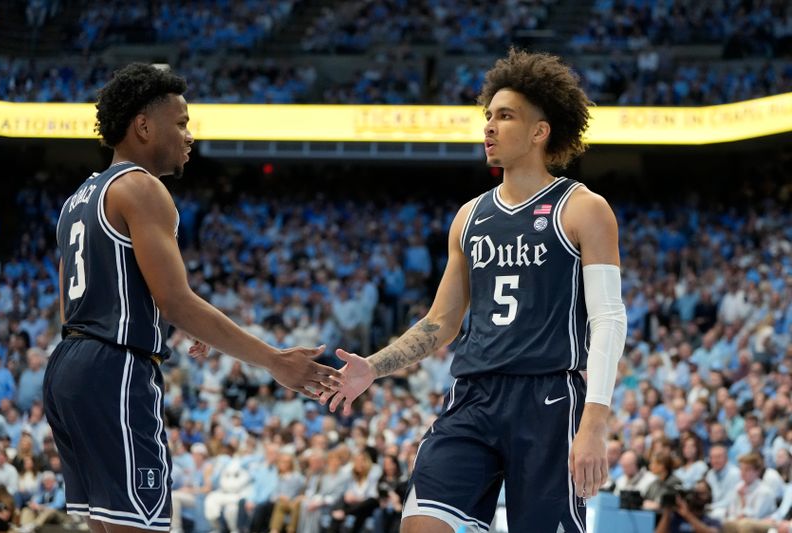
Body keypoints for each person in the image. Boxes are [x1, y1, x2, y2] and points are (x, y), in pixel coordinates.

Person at [321, 48, 627, 532]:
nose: (488, 126)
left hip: (547, 399)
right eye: (488, 116)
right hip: (472, 397)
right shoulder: (469, 217)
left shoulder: (584, 208)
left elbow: (609, 319)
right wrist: (373, 368)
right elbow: (440, 323)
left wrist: (595, 420)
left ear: (539, 131)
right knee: (419, 524)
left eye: (505, 117)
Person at [44, 63, 341, 533]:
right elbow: (176, 300)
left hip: (67, 368)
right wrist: (274, 360)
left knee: (105, 526)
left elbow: (81, 304)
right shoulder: (142, 187)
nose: (189, 135)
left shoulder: (78, 199)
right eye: (180, 123)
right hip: (114, 370)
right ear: (143, 125)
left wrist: (164, 321)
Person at [655, 479, 720, 533]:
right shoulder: (676, 517)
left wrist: (687, 515)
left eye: (701, 493)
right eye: (696, 493)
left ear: (709, 497)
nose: (697, 497)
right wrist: (667, 512)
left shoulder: (711, 519)